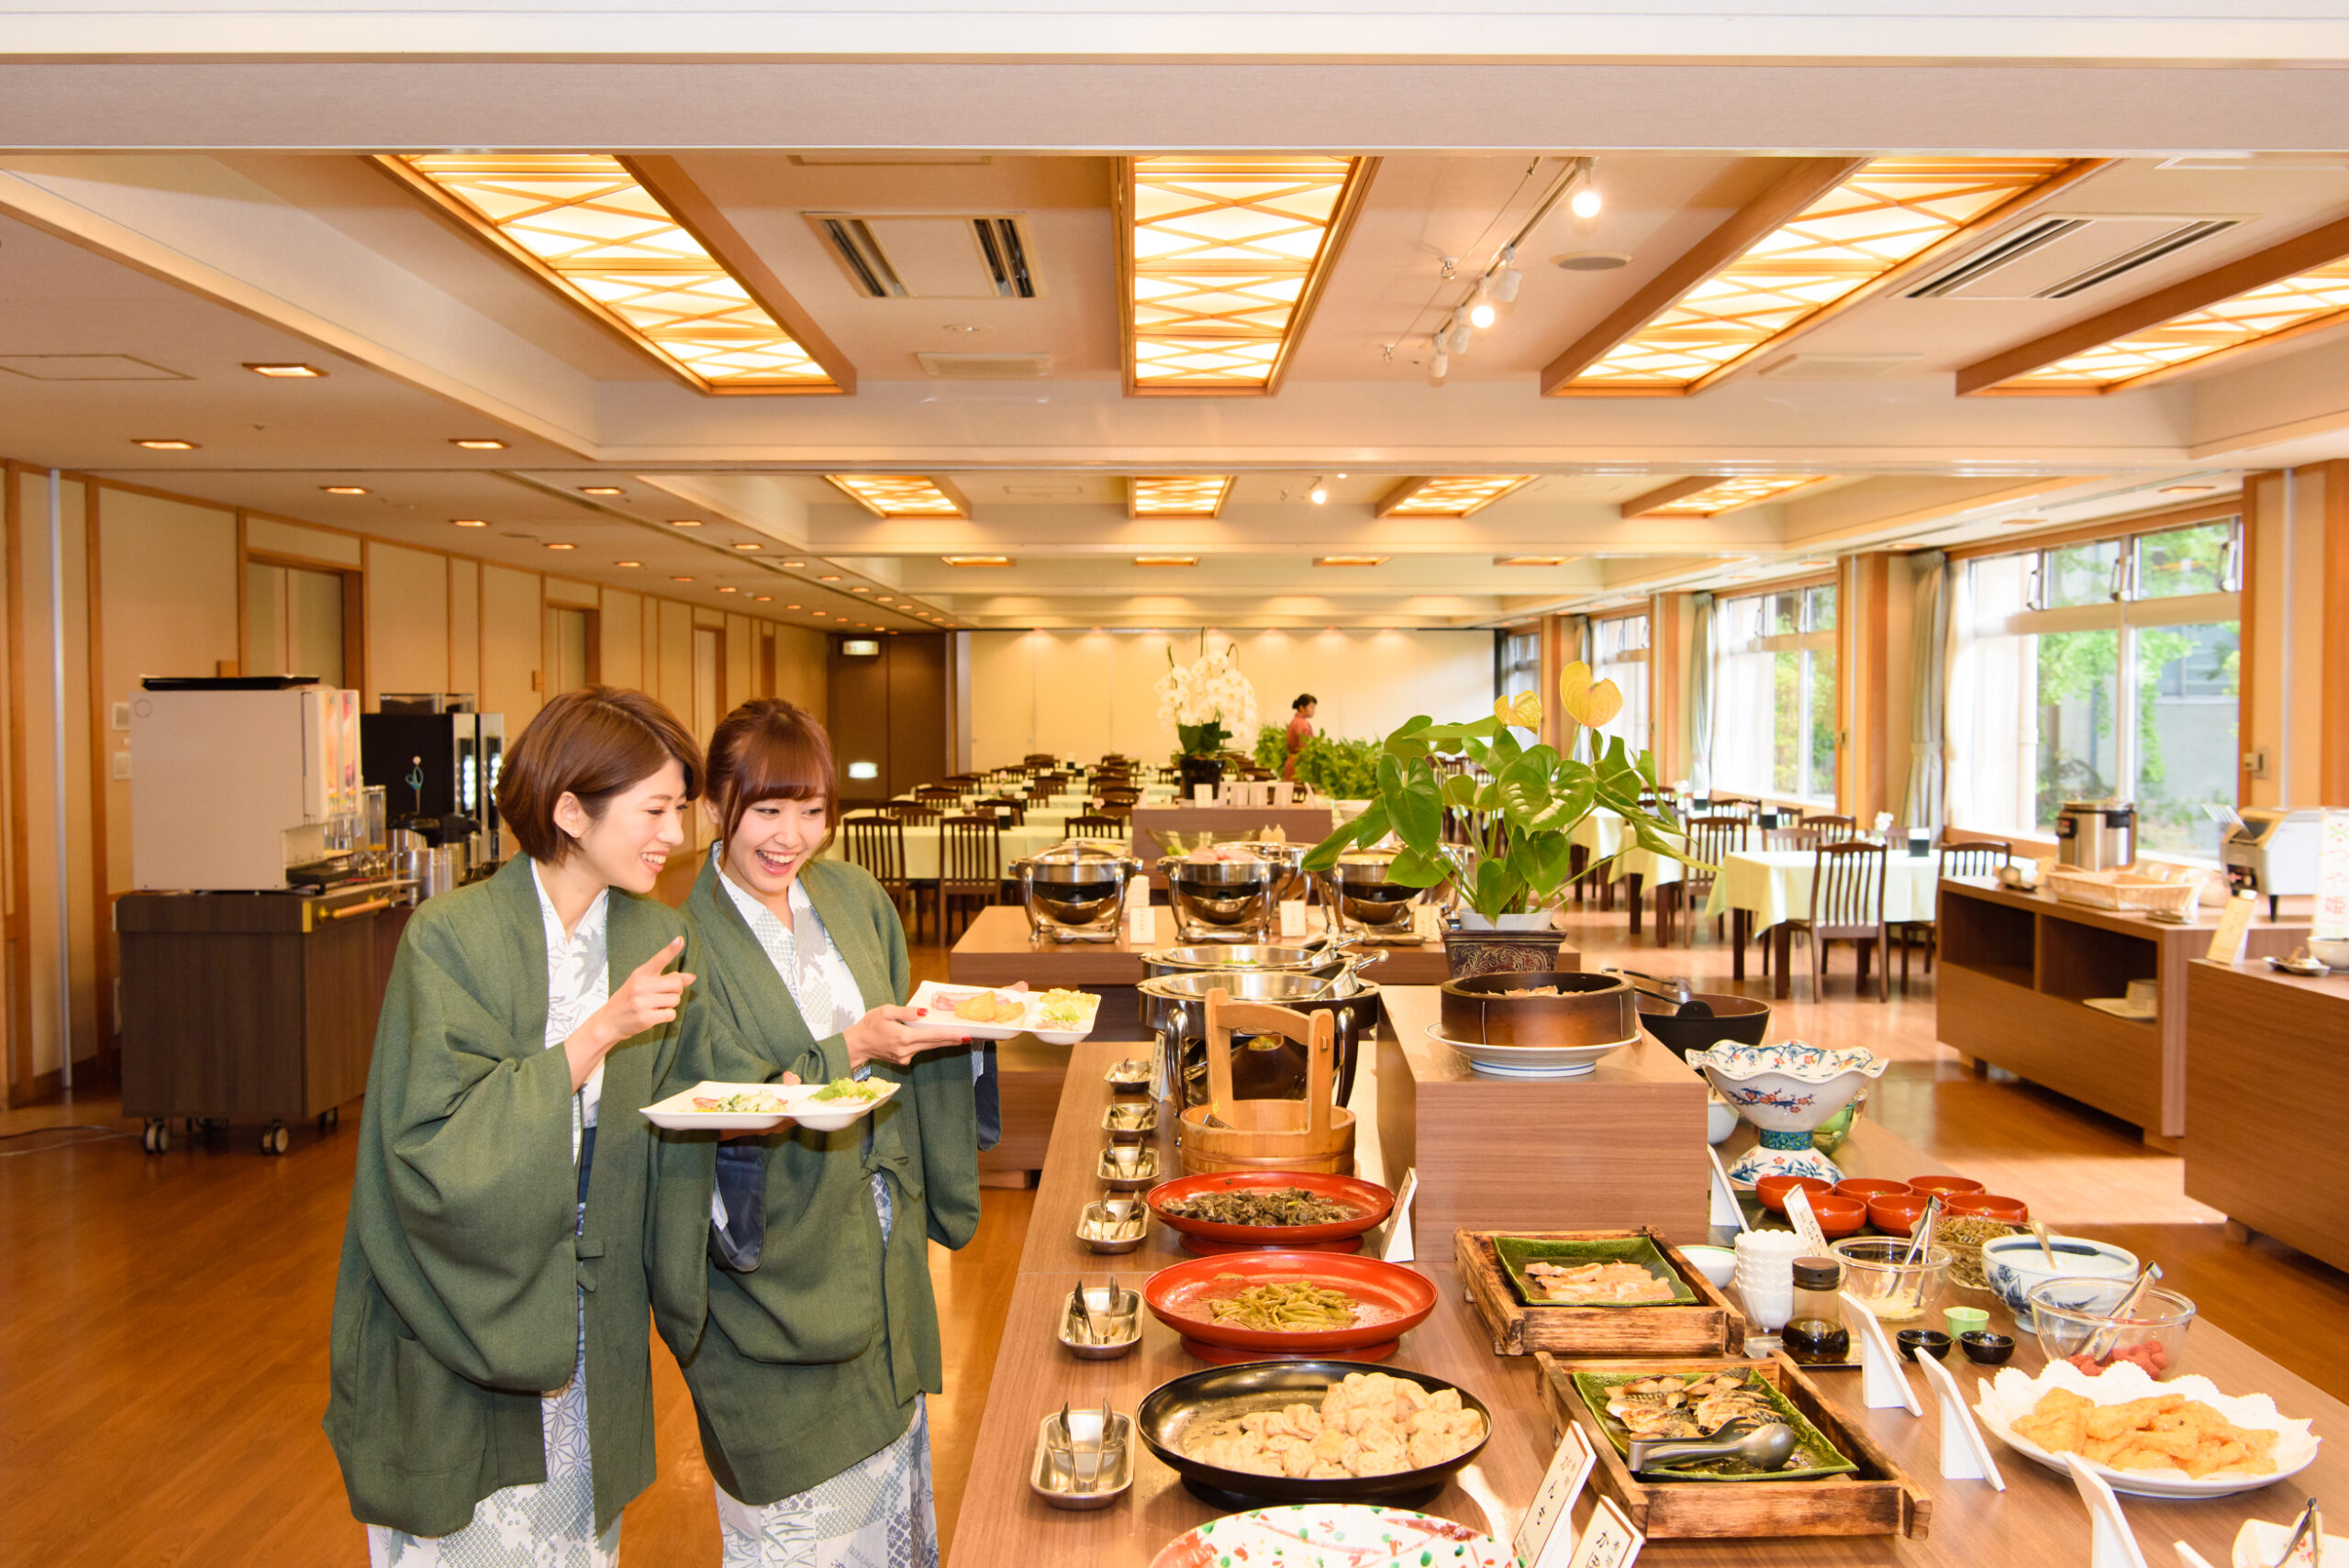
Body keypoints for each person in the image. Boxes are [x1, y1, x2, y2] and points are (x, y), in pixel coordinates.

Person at [324, 685, 707, 1566]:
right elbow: (431, 1147)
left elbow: (686, 1104)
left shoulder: (655, 930)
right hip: (461, 1308)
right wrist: (598, 1034)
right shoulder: (451, 937)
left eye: (680, 808)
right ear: (571, 809)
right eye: (655, 809)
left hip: (590, 1314)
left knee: (578, 1538)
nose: (674, 834)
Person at [661, 697, 995, 1568]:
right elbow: (712, 1093)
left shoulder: (852, 894)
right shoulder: (681, 939)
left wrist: (944, 1031)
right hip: (774, 1269)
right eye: (765, 809)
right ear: (713, 807)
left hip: (876, 1242)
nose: (790, 837)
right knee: (798, 1519)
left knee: (892, 1499)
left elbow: (897, 1026)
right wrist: (849, 1046)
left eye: (811, 811)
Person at [1284, 692, 1319, 781]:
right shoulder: (1302, 724)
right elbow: (1304, 748)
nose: (1313, 710)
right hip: (1299, 766)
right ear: (1301, 708)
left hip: (1292, 763)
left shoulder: (1296, 721)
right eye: (1311, 707)